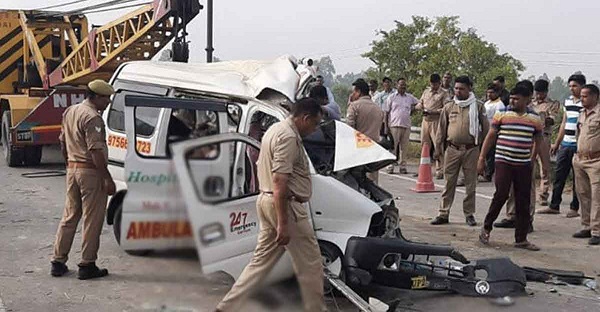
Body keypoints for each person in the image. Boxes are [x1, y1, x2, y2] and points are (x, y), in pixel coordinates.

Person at [215, 98, 325, 312]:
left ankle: (225, 308)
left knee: (260, 264)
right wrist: (283, 224)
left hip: (268, 202)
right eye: (315, 124)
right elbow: (280, 180)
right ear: (305, 118)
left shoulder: (276, 129)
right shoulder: (288, 137)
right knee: (310, 266)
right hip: (285, 206)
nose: (314, 129)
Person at [50, 79, 116, 279]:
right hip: (90, 172)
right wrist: (107, 178)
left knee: (69, 217)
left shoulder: (71, 111)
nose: (108, 102)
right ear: (96, 97)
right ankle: (87, 264)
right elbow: (95, 151)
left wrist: (69, 164)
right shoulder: (92, 117)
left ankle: (58, 261)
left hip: (72, 170)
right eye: (106, 98)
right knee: (92, 219)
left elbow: (62, 142)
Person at [478, 83, 550, 251]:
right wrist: (481, 158)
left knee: (523, 200)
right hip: (503, 160)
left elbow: (539, 143)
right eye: (511, 98)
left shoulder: (534, 119)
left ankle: (521, 238)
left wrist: (541, 163)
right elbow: (490, 136)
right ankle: (486, 228)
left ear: (527, 100)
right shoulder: (502, 114)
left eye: (517, 99)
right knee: (501, 194)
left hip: (523, 164)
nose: (512, 101)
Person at [430, 76, 489, 226]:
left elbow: (487, 130)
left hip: (471, 149)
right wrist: (438, 149)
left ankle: (469, 214)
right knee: (449, 182)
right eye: (456, 88)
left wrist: (483, 153)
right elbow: (441, 130)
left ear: (470, 88)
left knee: (471, 184)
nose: (458, 91)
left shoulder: (478, 106)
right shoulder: (449, 106)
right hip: (452, 149)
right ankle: (443, 213)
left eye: (461, 88)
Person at [494, 80, 538, 231]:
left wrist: (532, 158)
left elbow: (537, 140)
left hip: (526, 157)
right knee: (509, 188)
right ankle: (512, 216)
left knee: (526, 191)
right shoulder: (508, 112)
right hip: (508, 157)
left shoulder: (534, 115)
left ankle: (527, 219)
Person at [540, 74, 586, 217]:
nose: (572, 89)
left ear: (582, 86)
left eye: (575, 86)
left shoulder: (586, 104)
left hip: (578, 145)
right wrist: (557, 143)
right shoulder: (568, 102)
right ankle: (554, 205)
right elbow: (563, 124)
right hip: (565, 144)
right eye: (570, 86)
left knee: (577, 179)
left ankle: (574, 208)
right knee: (559, 176)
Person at [571, 84, 600, 245]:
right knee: (583, 194)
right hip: (580, 159)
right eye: (581, 96)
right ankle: (586, 226)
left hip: (596, 161)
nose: (581, 99)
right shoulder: (582, 114)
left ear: (595, 97)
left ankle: (597, 230)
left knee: (597, 197)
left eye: (585, 96)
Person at [347, 79, 385, 183]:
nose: (352, 94)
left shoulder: (354, 106)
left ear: (358, 92)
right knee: (373, 179)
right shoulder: (378, 108)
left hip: (358, 147)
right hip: (374, 146)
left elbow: (349, 128)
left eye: (353, 91)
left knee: (357, 180)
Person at [530, 79, 560, 206]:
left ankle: (543, 195)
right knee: (529, 165)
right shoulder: (530, 103)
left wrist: (543, 118)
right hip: (530, 137)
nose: (538, 96)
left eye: (541, 93)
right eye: (537, 93)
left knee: (544, 167)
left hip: (544, 137)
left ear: (546, 92)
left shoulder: (553, 104)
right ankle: (528, 192)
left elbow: (553, 119)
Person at [416, 74, 449, 179]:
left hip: (436, 122)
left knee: (438, 145)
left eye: (435, 83)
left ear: (439, 83)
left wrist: (433, 112)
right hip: (425, 121)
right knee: (424, 145)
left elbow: (446, 108)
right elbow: (420, 103)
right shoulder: (426, 92)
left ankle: (440, 170)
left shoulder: (444, 93)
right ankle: (424, 168)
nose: (433, 85)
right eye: (431, 83)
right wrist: (419, 108)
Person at [384, 78, 419, 174]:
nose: (403, 87)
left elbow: (419, 103)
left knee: (404, 148)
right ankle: (390, 166)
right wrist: (386, 127)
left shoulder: (409, 97)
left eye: (404, 85)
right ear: (397, 85)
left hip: (406, 125)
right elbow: (386, 113)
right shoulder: (391, 97)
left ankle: (403, 166)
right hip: (394, 125)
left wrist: (413, 109)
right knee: (393, 148)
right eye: (401, 85)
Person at [482, 83, 505, 182]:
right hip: (484, 131)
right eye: (488, 92)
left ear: (497, 93)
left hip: (494, 132)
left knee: (491, 154)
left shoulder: (499, 104)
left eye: (492, 92)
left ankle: (488, 174)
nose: (489, 94)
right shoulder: (486, 103)